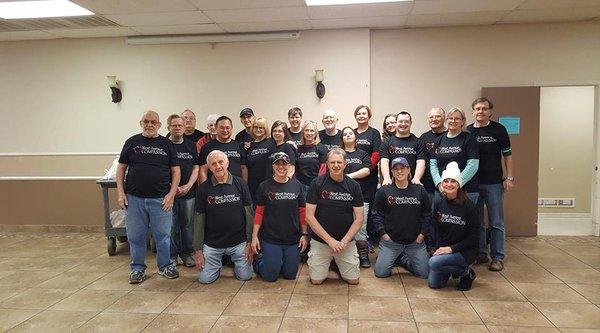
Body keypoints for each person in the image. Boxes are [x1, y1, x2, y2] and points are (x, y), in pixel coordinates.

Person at [116, 111, 181, 284]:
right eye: (146, 121)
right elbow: (121, 168)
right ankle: (137, 269)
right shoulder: (132, 142)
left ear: (159, 125)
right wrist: (121, 193)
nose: (150, 125)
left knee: (163, 236)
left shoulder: (166, 144)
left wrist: (171, 194)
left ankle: (165, 266)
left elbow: (176, 171)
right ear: (141, 123)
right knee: (136, 237)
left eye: (153, 122)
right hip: (134, 199)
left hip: (161, 200)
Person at [467, 97, 514, 271]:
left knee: (496, 222)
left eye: (484, 109)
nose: (480, 112)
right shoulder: (468, 131)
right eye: (477, 109)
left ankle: (497, 257)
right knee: (477, 221)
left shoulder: (499, 129)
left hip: (493, 183)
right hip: (472, 184)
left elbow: (507, 155)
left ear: (490, 111)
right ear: (473, 111)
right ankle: (481, 254)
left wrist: (509, 177)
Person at [193, 150, 254, 284]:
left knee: (246, 276)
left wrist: (249, 242)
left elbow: (249, 215)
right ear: (209, 167)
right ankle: (215, 266)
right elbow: (198, 220)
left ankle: (237, 265)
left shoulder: (241, 184)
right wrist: (198, 249)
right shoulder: (203, 189)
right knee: (204, 279)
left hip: (239, 242)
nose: (218, 166)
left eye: (221, 162)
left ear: (227, 163)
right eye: (213, 164)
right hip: (213, 244)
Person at [306, 148, 364, 285]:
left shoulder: (354, 186)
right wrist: (330, 241)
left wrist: (343, 241)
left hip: (346, 242)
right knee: (316, 281)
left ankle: (337, 262)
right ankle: (332, 261)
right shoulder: (317, 183)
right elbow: (309, 216)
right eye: (332, 162)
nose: (336, 165)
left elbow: (360, 218)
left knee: (353, 281)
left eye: (339, 162)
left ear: (345, 164)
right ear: (327, 164)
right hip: (321, 241)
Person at [251, 152, 308, 281]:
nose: (281, 167)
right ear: (273, 166)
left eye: (284, 164)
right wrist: (254, 237)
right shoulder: (264, 186)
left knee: (290, 276)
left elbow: (302, 211)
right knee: (270, 277)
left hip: (292, 238)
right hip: (271, 238)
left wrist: (304, 234)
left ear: (289, 166)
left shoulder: (297, 185)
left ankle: (276, 261)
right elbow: (259, 212)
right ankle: (259, 262)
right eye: (277, 164)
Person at [372, 157, 430, 279]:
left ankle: (402, 259)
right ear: (391, 172)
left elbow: (427, 215)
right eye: (395, 169)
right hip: (391, 242)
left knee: (424, 273)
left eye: (402, 168)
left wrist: (422, 235)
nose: (399, 171)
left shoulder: (420, 190)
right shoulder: (384, 191)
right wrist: (383, 234)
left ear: (409, 170)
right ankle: (396, 256)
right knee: (381, 273)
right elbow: (376, 214)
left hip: (415, 242)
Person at [428, 162, 478, 291]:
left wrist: (451, 249)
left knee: (433, 263)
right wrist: (438, 247)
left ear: (459, 184)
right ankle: (456, 270)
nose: (449, 184)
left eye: (453, 181)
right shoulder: (439, 202)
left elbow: (474, 237)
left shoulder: (469, 206)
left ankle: (467, 273)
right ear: (442, 183)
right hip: (444, 249)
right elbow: (435, 227)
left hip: (464, 251)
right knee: (435, 284)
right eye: (446, 181)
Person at [167, 114, 200, 268]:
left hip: (189, 193)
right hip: (169, 194)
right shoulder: (164, 146)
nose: (178, 128)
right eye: (174, 125)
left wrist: (188, 185)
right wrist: (173, 188)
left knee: (187, 225)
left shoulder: (191, 145)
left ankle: (187, 253)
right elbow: (161, 170)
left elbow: (196, 167)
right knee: (171, 225)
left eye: (180, 125)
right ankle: (172, 255)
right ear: (168, 127)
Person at [430, 107, 479, 205]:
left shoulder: (469, 139)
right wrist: (440, 184)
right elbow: (433, 164)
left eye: (457, 118)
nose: (453, 121)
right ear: (446, 120)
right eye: (450, 118)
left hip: (466, 190)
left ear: (462, 121)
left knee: (466, 220)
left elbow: (473, 165)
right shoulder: (439, 140)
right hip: (442, 191)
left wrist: (456, 184)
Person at [340, 126, 371, 268]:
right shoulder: (338, 154)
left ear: (355, 137)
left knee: (361, 226)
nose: (347, 136)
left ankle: (363, 253)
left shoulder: (362, 153)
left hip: (361, 195)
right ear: (342, 139)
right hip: (340, 196)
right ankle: (341, 254)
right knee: (343, 224)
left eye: (350, 133)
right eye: (345, 134)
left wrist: (349, 177)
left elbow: (367, 170)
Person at [354, 105, 382, 244]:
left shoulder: (374, 133)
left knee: (367, 210)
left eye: (364, 113)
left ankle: (366, 240)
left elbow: (376, 155)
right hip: (353, 178)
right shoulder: (352, 133)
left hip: (368, 178)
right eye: (359, 113)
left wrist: (365, 169)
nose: (361, 116)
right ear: (355, 116)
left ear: (369, 116)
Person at [380, 111, 426, 186]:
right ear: (396, 123)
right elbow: (384, 161)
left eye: (406, 122)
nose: (403, 124)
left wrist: (417, 178)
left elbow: (420, 162)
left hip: (413, 184)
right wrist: (387, 178)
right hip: (392, 184)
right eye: (400, 121)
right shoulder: (386, 143)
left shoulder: (419, 142)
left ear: (411, 123)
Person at [198, 116, 247, 183]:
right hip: (214, 189)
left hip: (236, 188)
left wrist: (244, 186)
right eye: (222, 128)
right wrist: (203, 190)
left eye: (227, 128)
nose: (225, 130)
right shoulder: (207, 147)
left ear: (231, 128)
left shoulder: (238, 145)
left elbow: (243, 168)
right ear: (216, 128)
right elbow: (203, 170)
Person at [420, 108, 447, 201]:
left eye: (438, 116)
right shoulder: (423, 138)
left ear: (444, 118)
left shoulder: (450, 135)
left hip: (447, 186)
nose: (434, 119)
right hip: (427, 187)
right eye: (431, 117)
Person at [246, 117, 272, 202]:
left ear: (265, 129)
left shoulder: (271, 142)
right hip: (253, 185)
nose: (258, 129)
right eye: (256, 127)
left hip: (268, 183)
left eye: (261, 127)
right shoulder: (249, 146)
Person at [295, 120, 328, 188]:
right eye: (306, 130)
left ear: (316, 133)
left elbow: (323, 169)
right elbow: (297, 169)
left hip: (316, 185)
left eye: (312, 130)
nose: (309, 133)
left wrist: (317, 184)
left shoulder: (322, 148)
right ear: (303, 133)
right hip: (301, 186)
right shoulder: (299, 149)